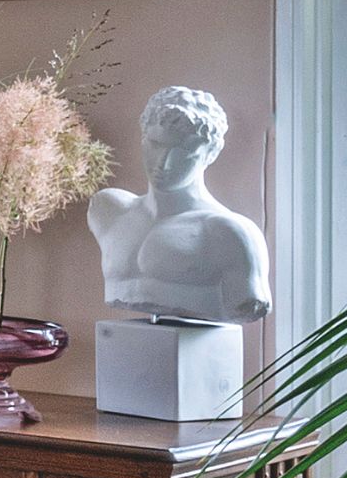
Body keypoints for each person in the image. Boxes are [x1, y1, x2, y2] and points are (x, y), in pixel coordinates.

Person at [87, 87, 270, 324]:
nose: (164, 162)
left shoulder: (230, 234)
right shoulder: (109, 210)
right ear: (143, 139)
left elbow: (246, 305)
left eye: (184, 152)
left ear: (211, 153)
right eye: (155, 145)